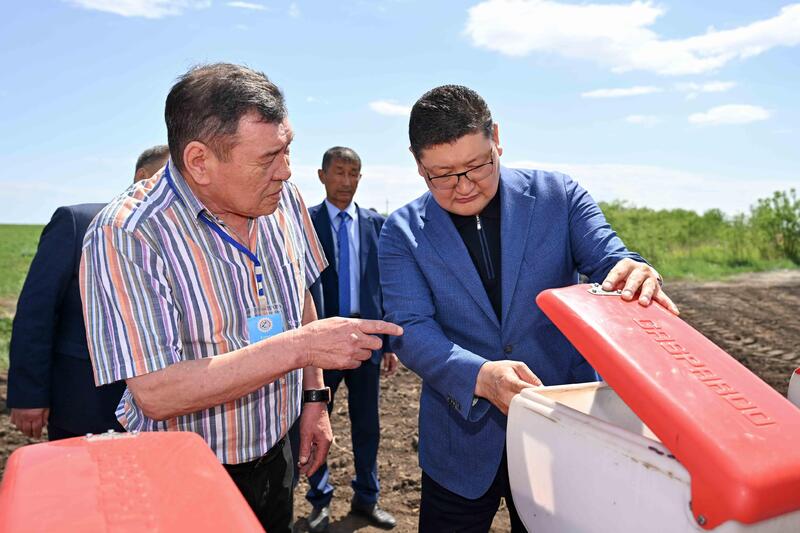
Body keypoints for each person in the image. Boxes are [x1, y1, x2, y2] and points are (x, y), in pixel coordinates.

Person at [79, 64, 402, 533]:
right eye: (268, 157)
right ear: (199, 161)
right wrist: (301, 347)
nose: (286, 171)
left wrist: (314, 398)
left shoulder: (283, 198)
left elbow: (301, 294)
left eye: (287, 149)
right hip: (184, 474)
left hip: (276, 454)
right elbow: (157, 392)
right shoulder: (129, 233)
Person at [377, 85, 679, 533]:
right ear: (417, 163)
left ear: (496, 138)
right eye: (442, 175)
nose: (464, 186)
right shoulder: (401, 231)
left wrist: (632, 269)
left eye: (477, 165)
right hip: (460, 444)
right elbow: (411, 328)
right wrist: (480, 376)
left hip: (561, 431)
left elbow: (610, 257)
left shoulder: (559, 196)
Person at [7, 145, 170, 441]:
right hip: (85, 403)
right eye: (169, 176)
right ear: (142, 176)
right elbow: (36, 313)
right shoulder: (78, 222)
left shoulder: (183, 237)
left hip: (167, 412)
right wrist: (28, 395)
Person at [300, 147, 398, 532]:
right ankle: (319, 500)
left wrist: (388, 344)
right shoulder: (306, 223)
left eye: (353, 173)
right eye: (339, 172)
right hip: (322, 342)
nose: (346, 181)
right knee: (315, 418)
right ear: (322, 175)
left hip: (366, 339)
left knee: (367, 424)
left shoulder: (376, 224)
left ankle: (367, 499)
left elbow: (385, 285)